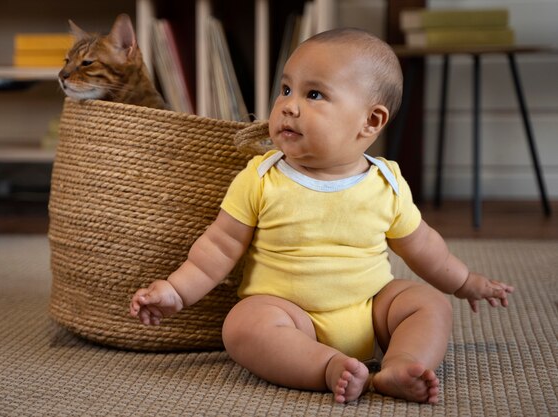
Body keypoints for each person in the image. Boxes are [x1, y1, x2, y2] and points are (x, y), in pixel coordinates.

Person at [129, 28, 514, 405]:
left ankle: (401, 364)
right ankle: (327, 366)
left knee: (428, 304)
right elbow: (218, 246)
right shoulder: (262, 178)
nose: (288, 105)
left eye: (313, 94)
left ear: (371, 122)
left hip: (369, 310)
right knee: (242, 324)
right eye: (285, 89)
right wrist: (176, 291)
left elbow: (425, 247)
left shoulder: (386, 183)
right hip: (289, 316)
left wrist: (465, 282)